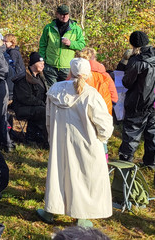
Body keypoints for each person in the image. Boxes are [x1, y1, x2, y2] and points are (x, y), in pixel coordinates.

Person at [37, 58, 113, 228]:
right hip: (86, 143)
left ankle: (51, 209)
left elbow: (48, 118)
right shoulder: (91, 94)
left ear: (69, 71)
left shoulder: (55, 90)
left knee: (59, 175)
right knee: (83, 178)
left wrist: (52, 137)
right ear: (88, 74)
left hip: (60, 140)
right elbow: (104, 124)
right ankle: (81, 215)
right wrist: (102, 139)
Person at [118, 31, 155, 169]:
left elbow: (126, 82)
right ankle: (151, 163)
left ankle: (125, 162)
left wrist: (125, 62)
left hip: (138, 102)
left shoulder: (137, 61)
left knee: (132, 133)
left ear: (134, 45)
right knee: (154, 134)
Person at [38, 4, 87, 87]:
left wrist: (71, 43)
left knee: (66, 92)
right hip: (50, 66)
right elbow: (42, 45)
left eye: (66, 14)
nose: (64, 16)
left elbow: (82, 45)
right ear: (57, 14)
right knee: (51, 92)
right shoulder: (49, 28)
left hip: (67, 68)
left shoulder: (76, 29)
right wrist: (43, 61)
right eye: (62, 14)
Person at [11, 52, 48, 146]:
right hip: (22, 107)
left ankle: (43, 138)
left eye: (43, 63)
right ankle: (34, 139)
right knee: (43, 111)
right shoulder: (23, 78)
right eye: (40, 63)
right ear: (33, 64)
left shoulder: (40, 77)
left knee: (48, 110)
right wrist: (42, 103)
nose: (42, 65)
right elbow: (25, 98)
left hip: (36, 106)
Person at [75, 48, 115, 115]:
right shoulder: (104, 75)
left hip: (80, 111)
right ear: (95, 58)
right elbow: (114, 96)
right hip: (102, 110)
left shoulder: (75, 73)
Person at [3, 33, 25, 98]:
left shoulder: (13, 52)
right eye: (3, 41)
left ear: (12, 42)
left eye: (6, 41)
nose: (4, 43)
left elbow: (12, 65)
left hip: (18, 76)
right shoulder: (10, 51)